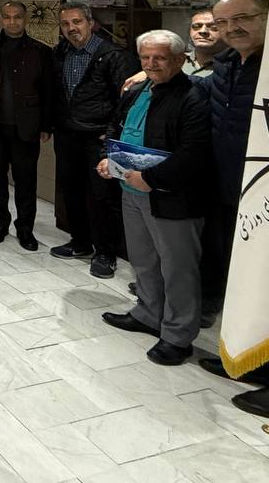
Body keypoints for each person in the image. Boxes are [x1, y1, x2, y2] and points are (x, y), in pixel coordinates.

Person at [195, 0, 269, 419]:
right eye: (223, 22)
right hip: (228, 193)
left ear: (265, 18)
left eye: (242, 18)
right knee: (240, 282)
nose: (231, 28)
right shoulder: (225, 64)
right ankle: (251, 361)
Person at [96, 30, 210, 366]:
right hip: (131, 191)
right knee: (143, 259)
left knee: (178, 269)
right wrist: (108, 159)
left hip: (171, 198)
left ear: (180, 59)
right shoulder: (137, 90)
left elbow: (193, 152)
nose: (151, 64)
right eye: (145, 57)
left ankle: (177, 337)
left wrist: (150, 179)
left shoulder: (194, 96)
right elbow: (115, 127)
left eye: (159, 57)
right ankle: (147, 314)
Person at [49, 3, 139, 278]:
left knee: (103, 197)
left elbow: (127, 99)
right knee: (71, 191)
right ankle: (80, 242)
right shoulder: (60, 52)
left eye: (77, 22)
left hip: (99, 138)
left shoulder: (113, 55)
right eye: (65, 24)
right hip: (67, 135)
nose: (71, 28)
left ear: (90, 23)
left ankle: (106, 253)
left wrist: (112, 133)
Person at [0, 1, 54, 250]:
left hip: (26, 128)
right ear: (1, 18)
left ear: (25, 18)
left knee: (25, 182)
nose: (12, 21)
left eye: (17, 17)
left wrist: (46, 125)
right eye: (8, 17)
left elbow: (48, 92)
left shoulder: (41, 51)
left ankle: (25, 229)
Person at [184, 7, 225, 77]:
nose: (203, 31)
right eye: (196, 26)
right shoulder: (175, 60)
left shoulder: (236, 65)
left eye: (213, 27)